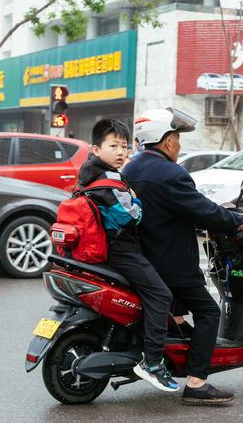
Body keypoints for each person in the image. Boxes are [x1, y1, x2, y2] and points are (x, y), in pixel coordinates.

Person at [123, 108, 243, 405]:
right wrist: (235, 220)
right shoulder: (170, 173)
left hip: (143, 258)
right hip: (171, 262)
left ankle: (177, 351)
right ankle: (197, 382)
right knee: (209, 312)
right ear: (166, 140)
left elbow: (177, 208)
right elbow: (202, 210)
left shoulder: (132, 168)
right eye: (177, 138)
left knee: (180, 311)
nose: (179, 144)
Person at [76, 119, 179, 393]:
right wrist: (135, 199)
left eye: (124, 146)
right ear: (96, 149)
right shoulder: (109, 180)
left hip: (98, 249)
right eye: (113, 146)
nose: (121, 152)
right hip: (121, 250)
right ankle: (153, 362)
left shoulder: (86, 174)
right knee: (161, 295)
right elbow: (130, 216)